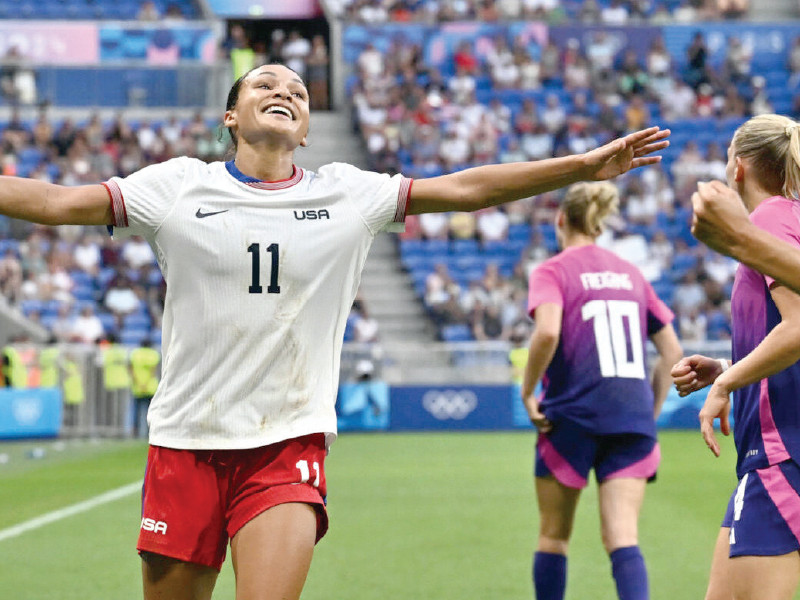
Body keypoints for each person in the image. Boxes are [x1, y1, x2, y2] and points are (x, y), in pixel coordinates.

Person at [0, 63, 668, 600]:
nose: (284, 91)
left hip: (285, 445)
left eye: (296, 90)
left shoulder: (349, 193)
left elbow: (465, 188)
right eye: (265, 84)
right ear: (231, 116)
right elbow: (57, 204)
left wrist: (579, 167)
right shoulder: (175, 186)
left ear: (306, 127)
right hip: (183, 443)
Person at [521, 182, 681, 600]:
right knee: (623, 538)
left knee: (554, 537)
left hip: (571, 415)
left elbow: (548, 331)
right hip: (631, 419)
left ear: (560, 220)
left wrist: (527, 391)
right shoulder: (631, 274)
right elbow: (673, 354)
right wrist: (652, 409)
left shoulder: (552, 270)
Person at [674, 114, 800, 600]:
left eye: (729, 153)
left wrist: (726, 386)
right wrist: (728, 369)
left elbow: (796, 328)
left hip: (778, 450)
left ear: (740, 167)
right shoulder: (787, 218)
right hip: (769, 453)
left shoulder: (767, 219)